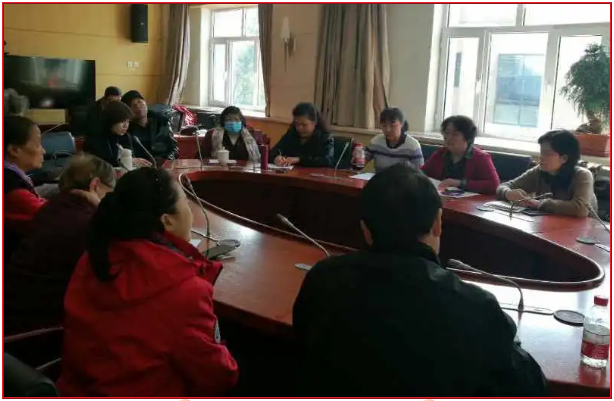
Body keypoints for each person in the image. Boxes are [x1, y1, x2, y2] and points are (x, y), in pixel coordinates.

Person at [293, 164, 547, 396]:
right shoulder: (474, 305)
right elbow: (530, 387)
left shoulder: (323, 278)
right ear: (438, 223)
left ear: (365, 230)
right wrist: (508, 336)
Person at [58, 168, 238, 396]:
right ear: (167, 221)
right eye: (185, 201)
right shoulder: (184, 291)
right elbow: (218, 376)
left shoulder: (95, 258)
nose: (190, 210)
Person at [4, 155, 116, 335]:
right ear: (95, 185)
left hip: (12, 313)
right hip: (38, 330)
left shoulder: (53, 207)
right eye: (110, 192)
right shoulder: (86, 224)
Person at [496, 130, 597, 218]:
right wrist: (508, 193)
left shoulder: (582, 175)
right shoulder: (539, 171)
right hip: (548, 225)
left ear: (564, 158)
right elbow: (503, 186)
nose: (541, 157)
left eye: (547, 154)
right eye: (541, 152)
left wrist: (540, 204)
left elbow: (581, 209)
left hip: (582, 230)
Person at [4, 116, 46, 262]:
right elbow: (50, 219)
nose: (44, 151)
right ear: (14, 150)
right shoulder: (11, 189)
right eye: (38, 144)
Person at [422, 115, 500, 194]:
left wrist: (459, 183)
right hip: (443, 197)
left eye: (455, 134)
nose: (448, 138)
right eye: (446, 133)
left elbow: (494, 185)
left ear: (468, 137)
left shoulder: (481, 157)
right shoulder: (439, 154)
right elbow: (420, 174)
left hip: (470, 200)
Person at [83, 101, 150, 168]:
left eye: (127, 121)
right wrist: (127, 161)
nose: (126, 125)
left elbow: (132, 158)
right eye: (122, 121)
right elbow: (104, 165)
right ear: (111, 120)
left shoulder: (126, 137)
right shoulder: (96, 139)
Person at [269, 103, 334, 167]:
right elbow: (275, 150)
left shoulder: (325, 137)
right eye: (297, 124)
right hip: (290, 172)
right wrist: (276, 157)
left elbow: (327, 160)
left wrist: (299, 160)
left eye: (304, 125)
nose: (299, 128)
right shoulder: (292, 133)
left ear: (314, 123)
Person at [121, 90, 179, 162]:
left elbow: (174, 149)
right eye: (132, 105)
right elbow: (126, 156)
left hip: (165, 164)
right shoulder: (125, 130)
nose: (137, 106)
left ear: (145, 103)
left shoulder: (162, 122)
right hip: (141, 166)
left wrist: (167, 160)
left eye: (139, 102)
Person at [364, 107, 424, 173]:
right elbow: (361, 163)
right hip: (380, 179)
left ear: (401, 124)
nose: (388, 130)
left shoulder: (413, 146)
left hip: (403, 179)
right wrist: (358, 155)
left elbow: (419, 174)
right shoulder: (375, 142)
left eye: (392, 126)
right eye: (384, 125)